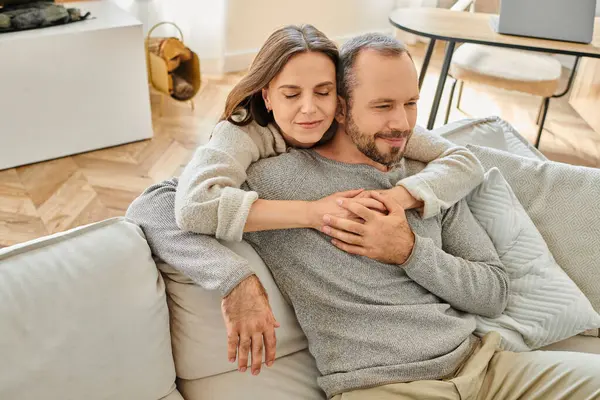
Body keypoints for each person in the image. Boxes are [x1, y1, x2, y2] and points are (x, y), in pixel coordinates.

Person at [128, 31, 600, 399]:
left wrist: (410, 252)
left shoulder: (428, 179)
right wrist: (234, 280)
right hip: (383, 388)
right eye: (382, 107)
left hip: (491, 368)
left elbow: (493, 293)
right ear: (341, 107)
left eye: (411, 104)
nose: (402, 123)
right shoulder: (271, 178)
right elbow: (153, 205)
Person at [127, 24, 485, 376]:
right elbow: (173, 203)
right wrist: (237, 275)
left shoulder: (368, 125)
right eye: (291, 93)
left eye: (323, 92)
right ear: (267, 96)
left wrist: (398, 198)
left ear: (341, 101)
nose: (310, 110)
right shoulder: (246, 134)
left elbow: (464, 160)